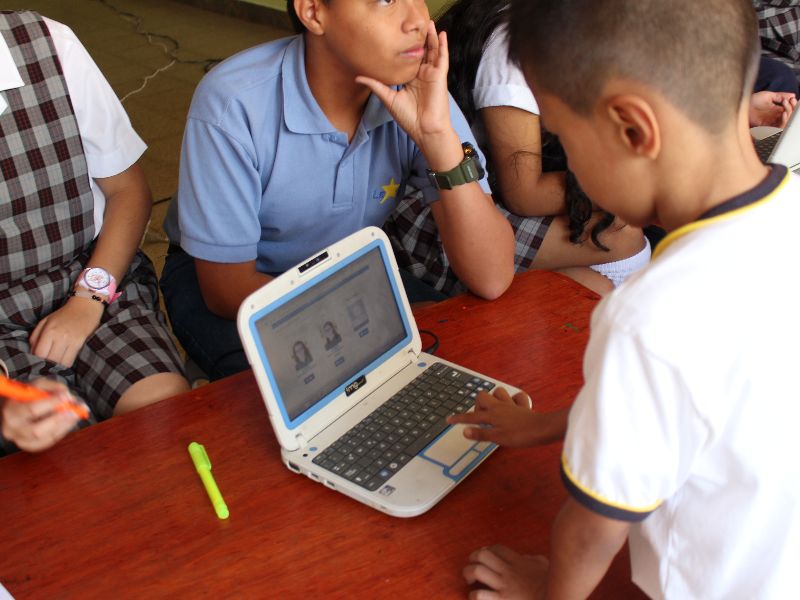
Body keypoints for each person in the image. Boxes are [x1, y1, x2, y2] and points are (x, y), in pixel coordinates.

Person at [451, 0, 800, 597]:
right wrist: (547, 426)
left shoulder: (648, 317)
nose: (569, 166)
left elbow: (593, 529)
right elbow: (697, 397)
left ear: (633, 131)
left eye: (565, 139)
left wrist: (549, 591)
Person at [160, 0, 515, 381]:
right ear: (313, 12)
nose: (419, 19)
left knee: (463, 355)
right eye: (385, 1)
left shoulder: (415, 87)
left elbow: (491, 277)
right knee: (321, 388)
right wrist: (376, 318)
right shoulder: (234, 103)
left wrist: (437, 137)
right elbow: (226, 289)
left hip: (343, 268)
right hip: (237, 288)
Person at [0, 12, 189, 455]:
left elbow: (127, 191)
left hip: (89, 277)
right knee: (58, 457)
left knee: (165, 420)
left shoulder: (50, 43)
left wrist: (89, 299)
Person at [385, 0, 652, 297]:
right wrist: (633, 187)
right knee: (621, 235)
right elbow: (523, 194)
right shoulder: (511, 44)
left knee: (610, 262)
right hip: (437, 208)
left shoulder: (588, 32)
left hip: (489, 192)